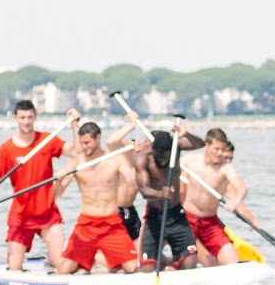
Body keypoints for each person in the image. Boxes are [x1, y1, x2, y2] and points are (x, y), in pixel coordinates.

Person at [0, 101, 80, 271]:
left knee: (63, 266)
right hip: (20, 215)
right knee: (14, 267)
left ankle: (52, 258)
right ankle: (47, 257)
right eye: (22, 117)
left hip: (47, 213)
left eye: (30, 117)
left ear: (35, 117)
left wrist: (74, 125)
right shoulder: (5, 149)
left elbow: (77, 153)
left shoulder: (47, 140)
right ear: (15, 118)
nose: (26, 122)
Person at [52, 122, 139, 274]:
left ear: (98, 138)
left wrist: (136, 155)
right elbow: (57, 194)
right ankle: (89, 257)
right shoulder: (77, 162)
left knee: (132, 268)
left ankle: (97, 258)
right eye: (81, 143)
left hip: (112, 223)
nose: (84, 147)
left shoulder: (114, 159)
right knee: (64, 270)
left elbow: (133, 181)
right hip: (87, 225)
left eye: (87, 142)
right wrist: (57, 180)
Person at [136, 121, 204, 271]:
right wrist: (160, 194)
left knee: (191, 260)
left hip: (175, 214)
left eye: (166, 156)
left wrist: (186, 134)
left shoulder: (176, 149)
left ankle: (177, 270)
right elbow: (143, 190)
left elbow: (200, 144)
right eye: (159, 155)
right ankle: (162, 264)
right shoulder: (143, 159)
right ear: (153, 149)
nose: (163, 159)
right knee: (147, 268)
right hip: (154, 217)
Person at [180, 128, 248, 266]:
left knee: (233, 262)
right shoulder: (189, 161)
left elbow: (241, 188)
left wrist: (235, 201)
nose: (220, 153)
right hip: (187, 220)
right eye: (216, 149)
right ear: (207, 146)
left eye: (222, 150)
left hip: (210, 223)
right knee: (186, 263)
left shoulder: (226, 167)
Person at [105, 110, 151, 241]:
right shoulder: (122, 156)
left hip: (130, 210)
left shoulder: (144, 161)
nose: (139, 146)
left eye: (145, 144)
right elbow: (110, 141)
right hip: (114, 211)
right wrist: (131, 124)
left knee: (138, 252)